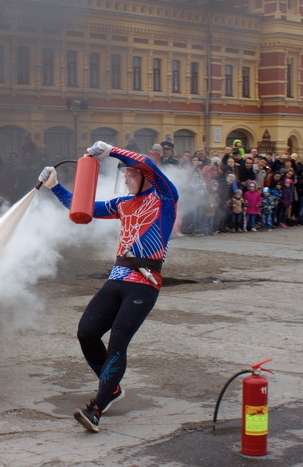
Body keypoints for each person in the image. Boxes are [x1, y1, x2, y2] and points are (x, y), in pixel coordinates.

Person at [38, 140, 178, 433]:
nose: (124, 178)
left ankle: (97, 408)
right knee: (86, 333)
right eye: (123, 173)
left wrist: (112, 150)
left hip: (144, 283)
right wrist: (54, 186)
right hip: (116, 278)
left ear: (142, 176)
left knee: (118, 341)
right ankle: (111, 388)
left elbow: (149, 164)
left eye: (129, 173)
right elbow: (85, 207)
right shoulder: (123, 203)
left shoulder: (165, 198)